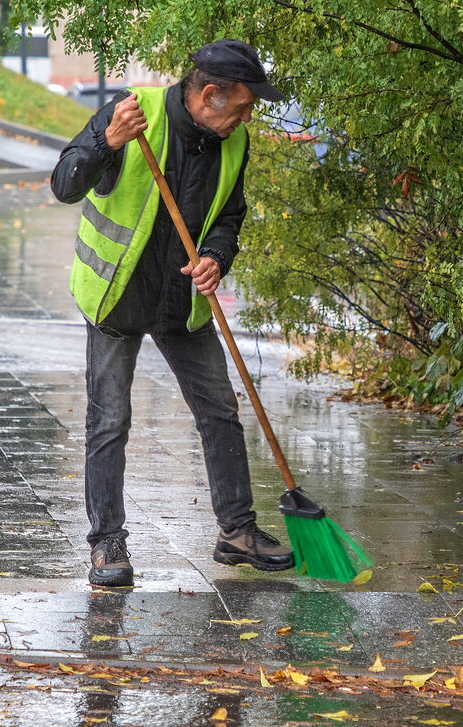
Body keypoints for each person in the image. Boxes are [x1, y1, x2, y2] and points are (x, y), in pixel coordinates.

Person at [51, 39, 295, 587]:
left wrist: (215, 257)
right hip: (116, 295)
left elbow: (230, 215)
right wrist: (105, 144)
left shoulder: (233, 143)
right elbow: (64, 182)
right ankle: (107, 543)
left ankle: (236, 531)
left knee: (219, 412)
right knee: (109, 421)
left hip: (182, 300)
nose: (247, 115)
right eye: (244, 105)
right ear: (210, 95)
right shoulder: (131, 114)